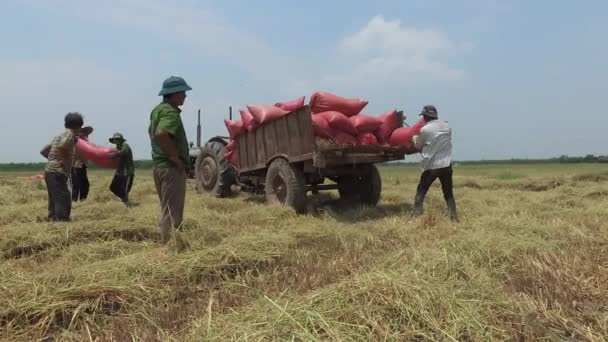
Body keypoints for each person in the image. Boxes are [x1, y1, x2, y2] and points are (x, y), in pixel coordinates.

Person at [148, 76, 192, 244]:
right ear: (173, 94)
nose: (185, 97)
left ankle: (170, 241)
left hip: (159, 165)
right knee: (172, 211)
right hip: (170, 167)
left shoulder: (157, 110)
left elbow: (154, 133)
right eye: (183, 93)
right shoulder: (170, 112)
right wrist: (175, 157)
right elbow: (161, 134)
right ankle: (171, 245)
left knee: (167, 207)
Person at [411, 105, 459, 222]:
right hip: (446, 165)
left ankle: (416, 215)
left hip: (432, 166)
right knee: (448, 192)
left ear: (425, 117)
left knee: (421, 191)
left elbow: (418, 146)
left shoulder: (425, 129)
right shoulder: (447, 127)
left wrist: (414, 139)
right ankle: (454, 217)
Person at [40, 112, 85, 221]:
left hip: (50, 171)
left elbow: (44, 151)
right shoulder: (70, 135)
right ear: (78, 126)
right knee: (63, 197)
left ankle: (52, 218)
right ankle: (61, 221)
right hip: (58, 172)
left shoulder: (59, 135)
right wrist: (64, 162)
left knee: (54, 198)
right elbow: (62, 146)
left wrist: (53, 159)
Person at [109, 132, 135, 204]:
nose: (116, 141)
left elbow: (122, 153)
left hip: (127, 172)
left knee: (124, 190)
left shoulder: (125, 146)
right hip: (119, 172)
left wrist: (112, 155)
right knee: (113, 187)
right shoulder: (117, 148)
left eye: (117, 139)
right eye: (115, 139)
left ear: (121, 140)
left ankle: (126, 204)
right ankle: (123, 200)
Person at [71, 126, 93, 202]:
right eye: (82, 132)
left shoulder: (85, 141)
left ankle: (82, 200)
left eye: (85, 132)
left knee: (85, 185)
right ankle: (74, 201)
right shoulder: (75, 140)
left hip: (82, 165)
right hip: (75, 166)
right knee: (76, 184)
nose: (84, 133)